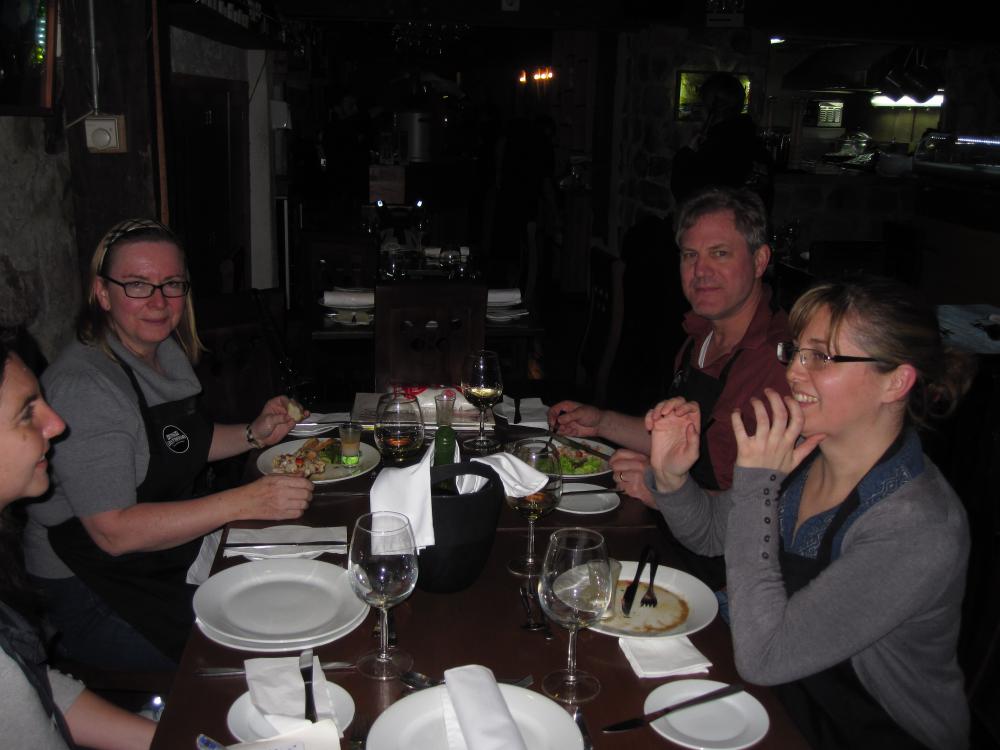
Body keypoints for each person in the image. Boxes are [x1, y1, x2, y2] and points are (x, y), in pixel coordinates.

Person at [644, 277, 972, 750]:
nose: (794, 371)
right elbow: (713, 535)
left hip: (867, 731)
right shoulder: (806, 452)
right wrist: (673, 478)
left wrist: (757, 483)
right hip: (785, 699)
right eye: (796, 352)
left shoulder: (917, 525)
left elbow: (766, 656)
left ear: (896, 381)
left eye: (821, 357)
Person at [24, 219, 314, 670]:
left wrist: (254, 434)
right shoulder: (86, 387)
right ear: (103, 293)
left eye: (172, 284)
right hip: (90, 591)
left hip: (156, 563)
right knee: (251, 658)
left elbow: (176, 445)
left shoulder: (161, 352)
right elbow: (114, 532)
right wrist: (246, 501)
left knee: (291, 598)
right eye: (138, 285)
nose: (159, 302)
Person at [548, 187, 790, 500]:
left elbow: (767, 504)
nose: (700, 271)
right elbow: (676, 443)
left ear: (759, 261)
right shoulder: (699, 336)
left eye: (719, 253)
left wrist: (662, 491)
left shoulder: (779, 362)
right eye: (690, 255)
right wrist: (600, 423)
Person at [0, 332, 156, 749]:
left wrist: (168, 739)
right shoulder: (83, 380)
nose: (57, 423)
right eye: (26, 412)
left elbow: (33, 688)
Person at [670, 72, 773, 212]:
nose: (700, 111)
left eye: (702, 105)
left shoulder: (715, 150)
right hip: (750, 224)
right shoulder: (757, 147)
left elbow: (687, 196)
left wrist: (686, 154)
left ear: (712, 108)